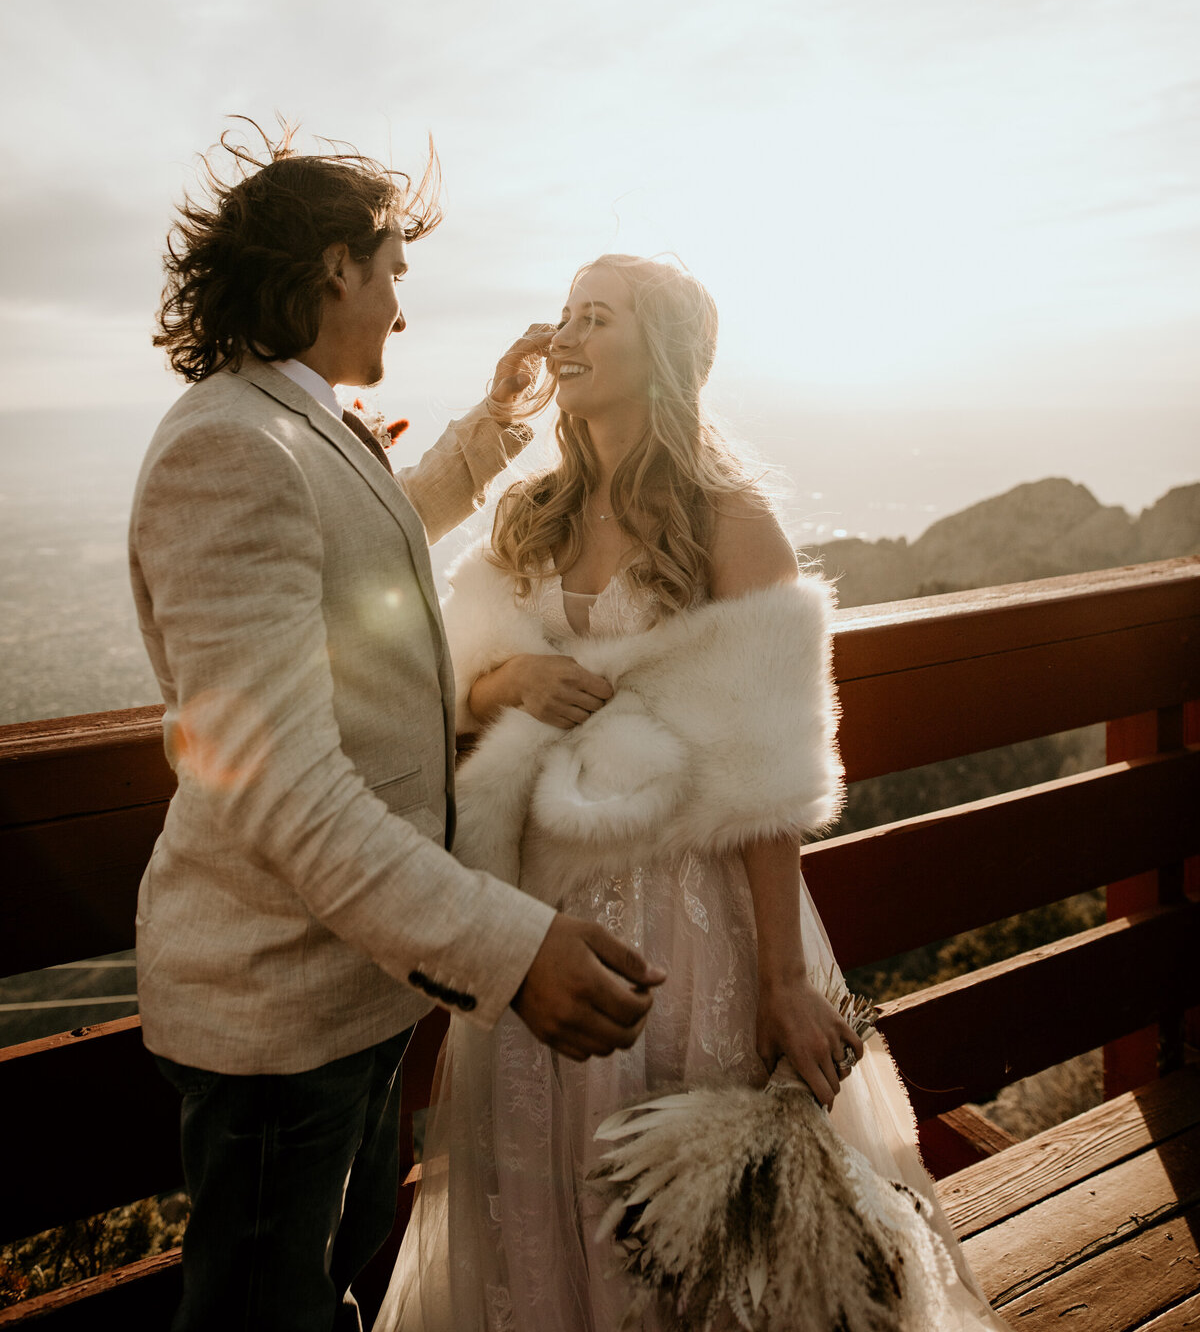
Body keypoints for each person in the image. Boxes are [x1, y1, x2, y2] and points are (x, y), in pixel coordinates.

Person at [381, 253, 1007, 1331]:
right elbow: (455, 681)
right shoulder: (530, 515)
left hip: (691, 918)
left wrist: (779, 978)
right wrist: (509, 679)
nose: (565, 334)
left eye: (598, 318)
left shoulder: (731, 523)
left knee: (701, 1235)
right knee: (536, 1195)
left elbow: (765, 776)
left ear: (663, 356)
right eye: (565, 311)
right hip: (540, 916)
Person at [130, 131, 665, 1332]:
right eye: (391, 274)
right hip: (277, 1018)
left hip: (358, 983)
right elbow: (285, 790)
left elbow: (364, 548)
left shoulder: (287, 423)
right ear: (334, 269)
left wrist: (492, 424)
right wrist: (512, 948)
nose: (400, 311)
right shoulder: (230, 445)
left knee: (339, 1289)